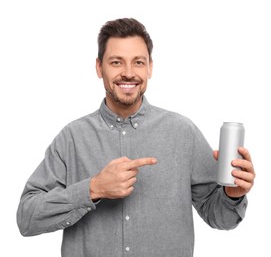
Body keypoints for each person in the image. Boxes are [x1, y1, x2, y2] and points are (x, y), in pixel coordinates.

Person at [17, 18, 255, 257]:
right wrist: (92, 188)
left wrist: (232, 195)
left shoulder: (183, 133)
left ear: (150, 67)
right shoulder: (72, 138)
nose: (128, 73)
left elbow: (221, 218)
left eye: (138, 62)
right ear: (99, 68)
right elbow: (27, 218)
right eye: (116, 62)